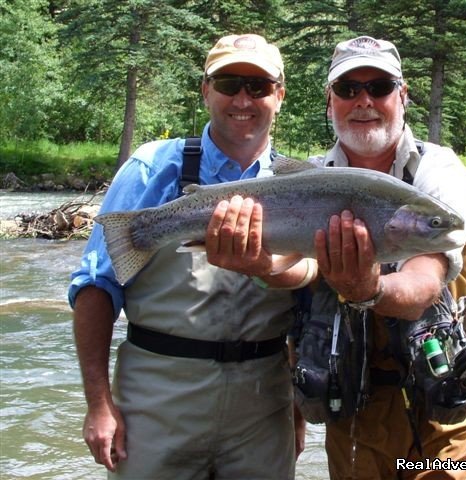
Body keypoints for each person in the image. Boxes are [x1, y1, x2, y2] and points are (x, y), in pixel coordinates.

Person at [68, 34, 311, 480]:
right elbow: (95, 288)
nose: (243, 98)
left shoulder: (302, 182)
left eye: (258, 87)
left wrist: (296, 408)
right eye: (228, 83)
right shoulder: (151, 167)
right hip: (157, 400)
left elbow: (301, 310)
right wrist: (99, 406)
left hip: (262, 403)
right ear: (205, 90)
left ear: (279, 95)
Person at [307, 36, 466, 479]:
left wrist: (367, 289)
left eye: (380, 87)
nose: (364, 100)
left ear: (403, 95)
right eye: (348, 89)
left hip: (444, 405)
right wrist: (260, 268)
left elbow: (425, 282)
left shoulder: (440, 174)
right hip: (351, 404)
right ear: (330, 100)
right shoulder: (310, 180)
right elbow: (292, 279)